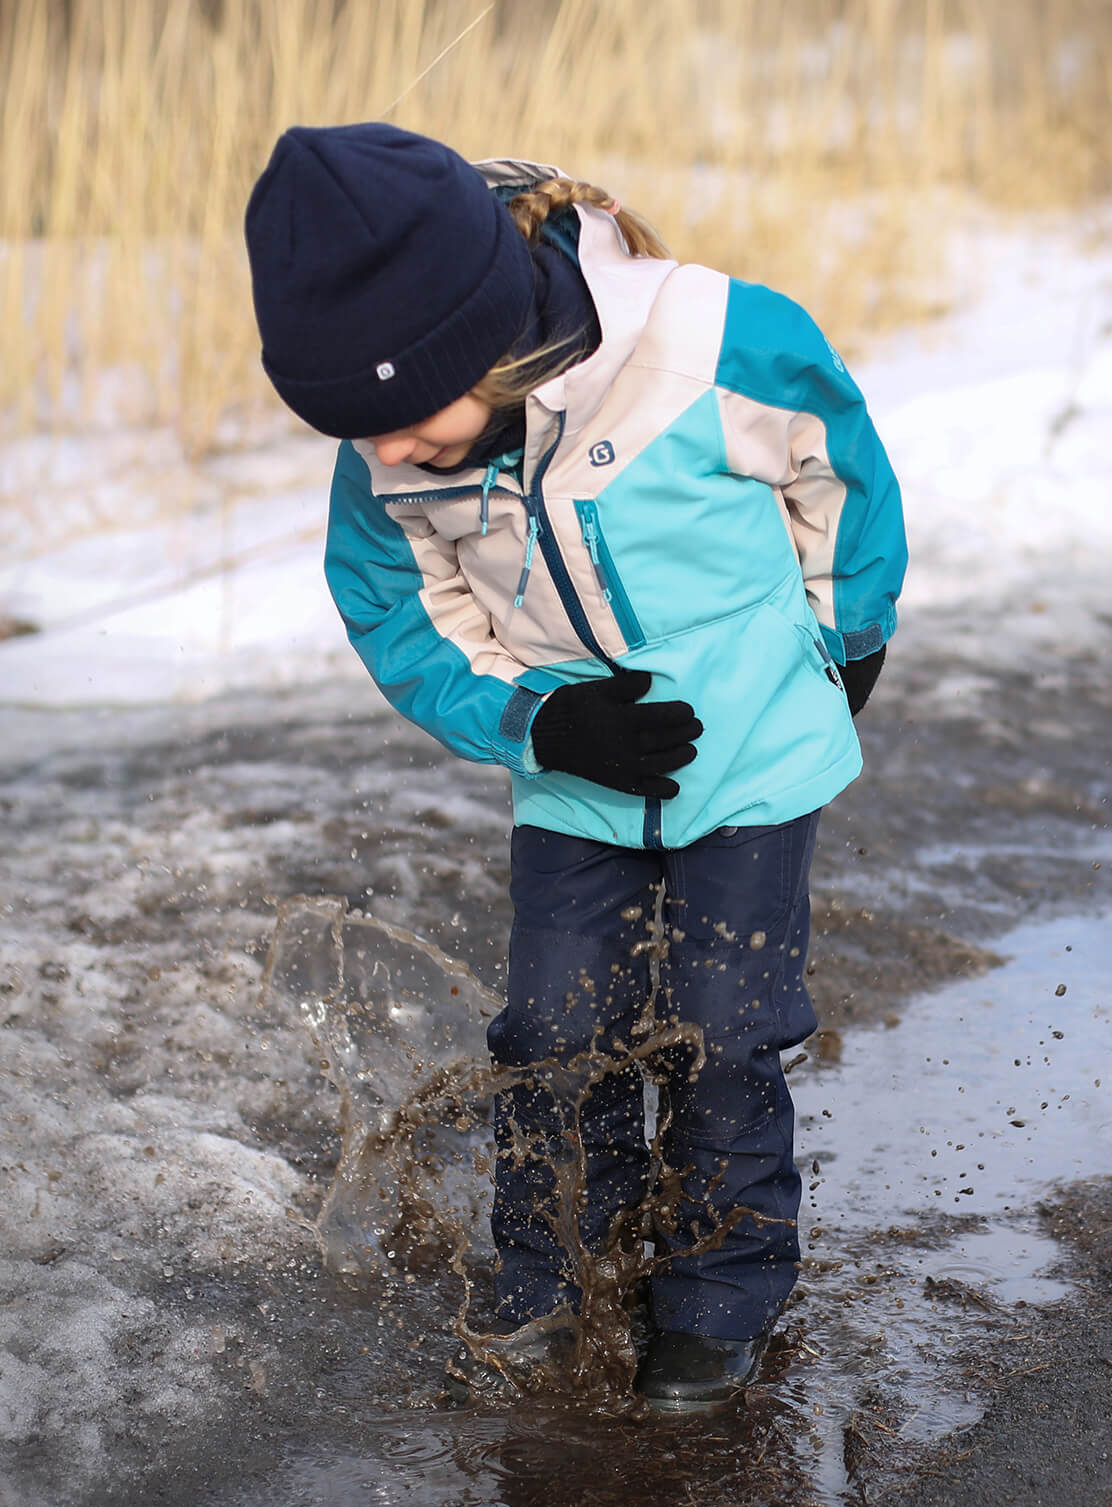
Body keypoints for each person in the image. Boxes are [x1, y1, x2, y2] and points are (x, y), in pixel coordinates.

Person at [243, 123, 906, 1412]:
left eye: (392, 424)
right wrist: (536, 722)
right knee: (552, 1029)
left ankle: (720, 1291)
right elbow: (398, 610)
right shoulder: (396, 438)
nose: (376, 456)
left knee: (721, 1028)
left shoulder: (713, 343)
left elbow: (840, 471)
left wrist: (845, 634)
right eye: (349, 432)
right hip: (574, 767)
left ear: (479, 343)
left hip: (754, 749)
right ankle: (552, 1267)